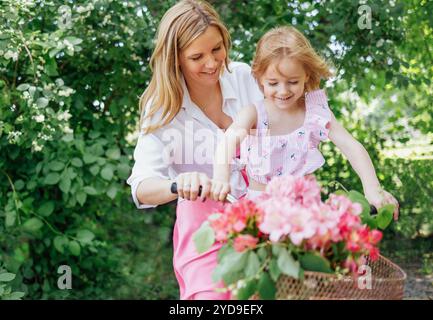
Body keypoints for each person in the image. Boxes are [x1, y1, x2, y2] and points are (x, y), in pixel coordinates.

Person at [126, 0, 263, 300]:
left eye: (217, 49)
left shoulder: (244, 78)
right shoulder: (162, 109)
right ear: (175, 60)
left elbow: (290, 129)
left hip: (264, 217)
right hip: (206, 227)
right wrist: (178, 184)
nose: (212, 63)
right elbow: (141, 187)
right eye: (197, 56)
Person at [211, 26, 399, 220]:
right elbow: (227, 144)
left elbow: (351, 147)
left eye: (292, 81)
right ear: (259, 79)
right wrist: (220, 179)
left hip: (305, 211)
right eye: (273, 83)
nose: (283, 91)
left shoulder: (314, 111)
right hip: (261, 210)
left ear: (306, 76)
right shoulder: (254, 114)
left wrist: (372, 188)